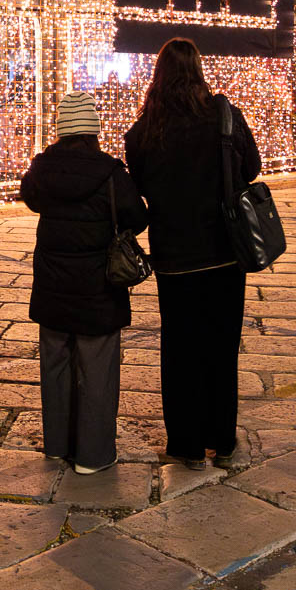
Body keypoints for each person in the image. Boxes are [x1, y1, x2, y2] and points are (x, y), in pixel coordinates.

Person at [124, 38, 260, 471]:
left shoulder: (143, 130)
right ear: (198, 71)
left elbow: (139, 185)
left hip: (175, 259)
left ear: (158, 76)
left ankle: (184, 442)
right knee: (221, 346)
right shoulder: (224, 115)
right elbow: (252, 168)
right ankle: (222, 441)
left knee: (180, 348)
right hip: (223, 253)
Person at [19, 91, 146, 474]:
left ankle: (57, 445)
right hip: (97, 290)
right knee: (97, 370)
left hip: (54, 286)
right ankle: (93, 456)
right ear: (92, 130)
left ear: (60, 130)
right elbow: (137, 218)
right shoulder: (109, 172)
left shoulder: (42, 168)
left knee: (55, 365)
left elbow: (31, 199)